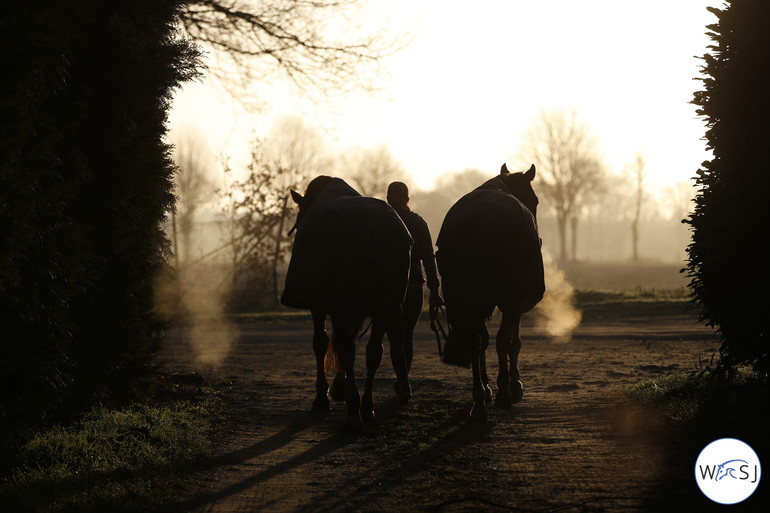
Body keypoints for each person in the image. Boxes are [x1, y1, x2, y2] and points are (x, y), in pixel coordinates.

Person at [386, 181, 442, 371]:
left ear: (387, 199)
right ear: (408, 199)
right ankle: (404, 381)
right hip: (413, 287)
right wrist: (434, 290)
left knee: (395, 336)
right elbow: (428, 258)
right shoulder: (418, 223)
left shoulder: (382, 222)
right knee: (406, 335)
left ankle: (402, 380)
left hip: (387, 289)